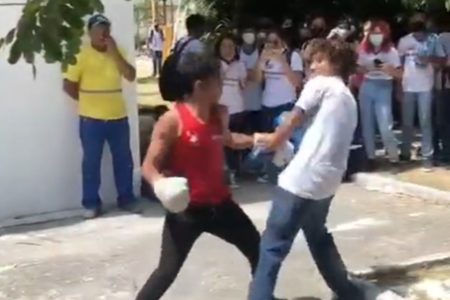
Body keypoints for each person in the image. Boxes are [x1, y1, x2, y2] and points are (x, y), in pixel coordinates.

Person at [137, 52, 261, 300]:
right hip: (186, 212)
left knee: (260, 251)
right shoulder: (172, 121)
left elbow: (228, 140)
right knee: (166, 271)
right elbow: (149, 166)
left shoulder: (219, 114)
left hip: (222, 206)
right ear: (200, 86)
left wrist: (260, 140)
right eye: (218, 80)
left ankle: (262, 296)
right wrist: (160, 184)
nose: (222, 85)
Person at [248, 39, 365, 300]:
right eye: (311, 61)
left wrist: (274, 140)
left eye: (319, 60)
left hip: (301, 179)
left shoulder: (321, 84)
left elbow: (295, 116)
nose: (312, 66)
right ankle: (348, 293)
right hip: (328, 182)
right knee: (318, 237)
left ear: (335, 63)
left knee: (271, 247)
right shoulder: (347, 95)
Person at [63, 14, 139, 219]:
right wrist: (88, 101)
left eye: (105, 28)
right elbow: (68, 85)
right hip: (91, 119)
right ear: (90, 33)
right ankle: (91, 203)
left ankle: (126, 198)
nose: (102, 33)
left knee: (124, 160)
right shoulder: (80, 54)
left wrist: (114, 53)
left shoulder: (118, 51)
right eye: (98, 29)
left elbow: (131, 75)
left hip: (118, 116)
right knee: (91, 163)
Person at [397, 13, 446, 171]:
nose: (419, 36)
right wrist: (399, 87)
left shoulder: (433, 40)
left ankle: (427, 156)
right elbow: (399, 66)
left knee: (425, 122)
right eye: (416, 32)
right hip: (408, 86)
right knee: (407, 122)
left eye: (421, 32)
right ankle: (405, 153)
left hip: (426, 86)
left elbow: (442, 60)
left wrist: (429, 60)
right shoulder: (404, 41)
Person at [357, 20, 403, 168]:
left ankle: (393, 156)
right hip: (367, 85)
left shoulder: (391, 51)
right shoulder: (363, 49)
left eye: (379, 32)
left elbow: (400, 74)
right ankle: (370, 157)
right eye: (373, 33)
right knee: (367, 124)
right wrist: (367, 68)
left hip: (384, 86)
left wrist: (389, 69)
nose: (376, 36)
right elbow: (357, 69)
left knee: (385, 124)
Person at [256, 28, 304, 133]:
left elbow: (297, 83)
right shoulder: (265, 57)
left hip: (285, 106)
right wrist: (261, 62)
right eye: (269, 42)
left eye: (275, 42)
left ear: (284, 42)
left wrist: (282, 61)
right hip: (266, 106)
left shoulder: (292, 56)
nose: (272, 45)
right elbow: (258, 80)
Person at [215, 34, 247, 188]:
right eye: (224, 46)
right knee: (219, 143)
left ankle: (233, 173)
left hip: (237, 109)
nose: (228, 50)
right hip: (220, 110)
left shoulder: (240, 65)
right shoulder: (215, 65)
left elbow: (243, 85)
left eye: (231, 47)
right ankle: (221, 174)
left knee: (233, 143)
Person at [240, 26, 263, 134]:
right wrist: (253, 73)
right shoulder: (236, 52)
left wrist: (245, 73)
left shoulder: (261, 52)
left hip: (258, 102)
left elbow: (261, 77)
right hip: (239, 103)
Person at [434, 19, 450, 164]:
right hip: (444, 82)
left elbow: (440, 62)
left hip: (444, 85)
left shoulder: (441, 38)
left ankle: (446, 153)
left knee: (443, 121)